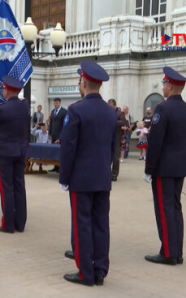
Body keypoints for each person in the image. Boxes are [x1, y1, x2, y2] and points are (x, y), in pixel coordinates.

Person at [60, 60, 116, 287]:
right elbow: (113, 147)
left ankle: (85, 273)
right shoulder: (111, 112)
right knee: (101, 224)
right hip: (102, 176)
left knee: (82, 223)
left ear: (83, 82)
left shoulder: (75, 110)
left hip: (81, 179)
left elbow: (68, 148)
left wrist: (64, 177)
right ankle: (100, 270)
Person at [143, 66, 186, 266]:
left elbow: (156, 141)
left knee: (164, 209)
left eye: (164, 83)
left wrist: (149, 168)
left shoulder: (163, 108)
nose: (163, 86)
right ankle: (177, 251)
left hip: (163, 167)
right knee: (175, 208)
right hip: (180, 166)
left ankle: (167, 252)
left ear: (171, 86)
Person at [0, 76, 30, 233]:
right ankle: (20, 223)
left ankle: (8, 224)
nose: (2, 91)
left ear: (7, 90)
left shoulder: (1, 109)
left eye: (3, 89)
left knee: (6, 188)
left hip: (5, 152)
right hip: (21, 151)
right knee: (19, 187)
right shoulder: (25, 106)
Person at [108, 99, 127, 181]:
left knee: (116, 156)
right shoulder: (107, 112)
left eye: (110, 105)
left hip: (116, 136)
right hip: (108, 136)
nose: (109, 106)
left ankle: (114, 174)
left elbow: (123, 122)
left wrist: (114, 122)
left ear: (114, 105)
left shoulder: (120, 113)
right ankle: (106, 172)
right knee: (107, 156)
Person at [48, 98, 67, 172]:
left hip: (61, 135)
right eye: (54, 103)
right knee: (54, 152)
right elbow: (51, 123)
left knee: (60, 152)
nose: (55, 104)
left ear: (59, 103)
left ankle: (61, 167)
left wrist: (60, 137)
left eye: (56, 103)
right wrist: (49, 133)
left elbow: (64, 125)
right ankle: (55, 166)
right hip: (53, 134)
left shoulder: (64, 112)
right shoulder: (53, 112)